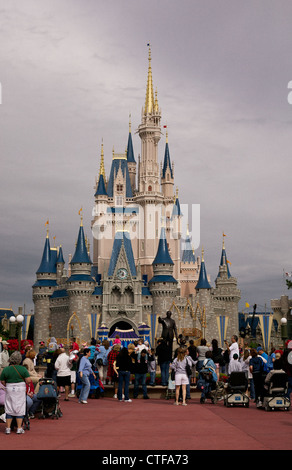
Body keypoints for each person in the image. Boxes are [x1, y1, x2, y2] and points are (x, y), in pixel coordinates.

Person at [0, 350, 32, 434]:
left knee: (9, 407)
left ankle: (7, 428)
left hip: (10, 388)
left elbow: (2, 381)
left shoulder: (6, 369)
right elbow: (28, 380)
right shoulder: (23, 369)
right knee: (20, 407)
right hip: (20, 389)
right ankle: (19, 428)